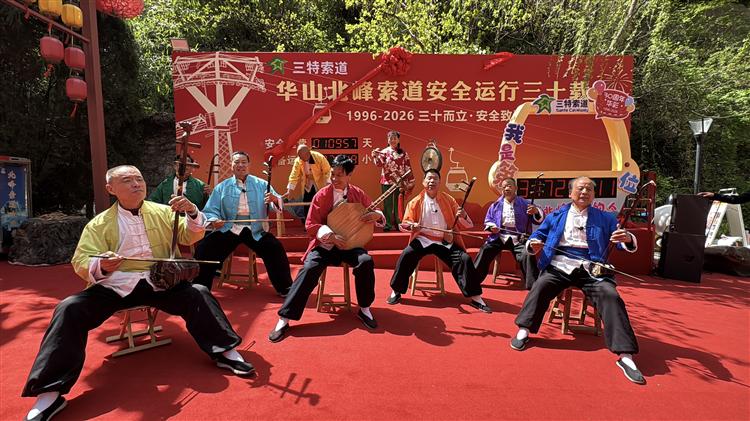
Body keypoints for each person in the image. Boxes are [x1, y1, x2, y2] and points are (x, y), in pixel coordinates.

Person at [21, 165, 252, 421]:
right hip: (116, 286)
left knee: (198, 292)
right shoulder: (99, 224)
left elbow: (189, 237)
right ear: (111, 189)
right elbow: (81, 260)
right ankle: (50, 393)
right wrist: (102, 264)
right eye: (127, 180)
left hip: (160, 281)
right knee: (69, 308)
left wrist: (192, 211)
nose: (136, 184)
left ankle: (224, 351)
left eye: (139, 179)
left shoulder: (164, 211)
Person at [510, 176, 645, 385]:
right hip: (560, 265)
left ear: (594, 194)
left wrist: (627, 238)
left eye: (589, 189)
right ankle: (524, 329)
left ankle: (625, 355)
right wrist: (533, 245)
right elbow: (537, 237)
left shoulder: (606, 218)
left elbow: (620, 242)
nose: (584, 192)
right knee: (541, 285)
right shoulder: (555, 215)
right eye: (580, 188)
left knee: (610, 295)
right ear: (570, 193)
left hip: (593, 268)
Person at [268, 155, 384, 342]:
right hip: (325, 245)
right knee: (309, 268)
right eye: (332, 174)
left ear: (349, 175)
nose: (334, 178)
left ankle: (364, 308)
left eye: (339, 175)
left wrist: (377, 215)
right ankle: (284, 318)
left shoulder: (358, 194)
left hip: (351, 245)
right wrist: (330, 236)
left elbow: (374, 211)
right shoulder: (321, 195)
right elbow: (311, 224)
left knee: (365, 261)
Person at [386, 169, 491, 313]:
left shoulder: (449, 200)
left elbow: (467, 225)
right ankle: (396, 291)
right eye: (429, 178)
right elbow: (405, 224)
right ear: (423, 182)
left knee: (464, 259)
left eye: (435, 178)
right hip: (423, 239)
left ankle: (476, 297)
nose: (431, 181)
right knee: (407, 254)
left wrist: (463, 215)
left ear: (439, 182)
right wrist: (412, 226)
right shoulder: (415, 202)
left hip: (444, 241)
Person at [192, 151, 292, 295]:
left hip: (256, 229)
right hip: (230, 228)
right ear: (231, 165)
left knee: (274, 248)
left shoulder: (262, 184)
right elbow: (211, 210)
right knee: (205, 248)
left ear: (249, 165)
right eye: (237, 162)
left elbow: (276, 204)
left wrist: (275, 200)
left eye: (244, 162)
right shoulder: (222, 187)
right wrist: (214, 220)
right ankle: (199, 289)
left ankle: (285, 288)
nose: (240, 165)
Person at [474, 177, 543, 289]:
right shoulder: (495, 205)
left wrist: (536, 211)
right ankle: (473, 280)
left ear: (515, 188)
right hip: (499, 237)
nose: (507, 188)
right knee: (485, 250)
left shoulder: (525, 203)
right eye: (504, 187)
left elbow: (538, 218)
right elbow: (488, 220)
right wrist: (492, 227)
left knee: (527, 253)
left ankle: (533, 286)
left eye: (509, 186)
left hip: (519, 238)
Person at [371, 130, 415, 231]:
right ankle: (388, 224)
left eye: (395, 138)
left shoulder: (403, 153)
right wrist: (375, 156)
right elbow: (379, 164)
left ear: (398, 140)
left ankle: (399, 223)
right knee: (388, 204)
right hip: (387, 180)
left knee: (399, 203)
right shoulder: (384, 152)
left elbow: (408, 167)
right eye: (390, 138)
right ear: (388, 140)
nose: (392, 140)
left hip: (400, 181)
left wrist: (410, 181)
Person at [283, 144, 332, 219]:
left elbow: (328, 171)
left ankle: (321, 222)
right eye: (300, 157)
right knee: (307, 205)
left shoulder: (319, 157)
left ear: (308, 153)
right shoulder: (298, 160)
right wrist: (289, 191)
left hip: (320, 185)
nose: (301, 159)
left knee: (321, 205)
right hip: (307, 185)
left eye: (302, 157)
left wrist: (327, 185)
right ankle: (308, 222)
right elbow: (294, 176)